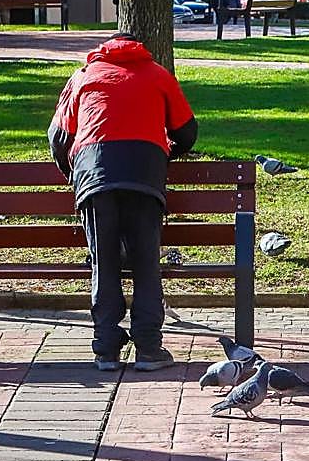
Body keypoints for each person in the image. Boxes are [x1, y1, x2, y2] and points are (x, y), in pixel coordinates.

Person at [48, 33, 198, 372]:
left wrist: (71, 170)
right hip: (145, 176)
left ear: (105, 50)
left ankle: (105, 349)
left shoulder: (84, 76)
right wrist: (165, 153)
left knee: (104, 262)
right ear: (140, 50)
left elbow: (57, 137)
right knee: (146, 263)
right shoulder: (159, 75)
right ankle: (148, 347)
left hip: (95, 175)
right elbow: (187, 133)